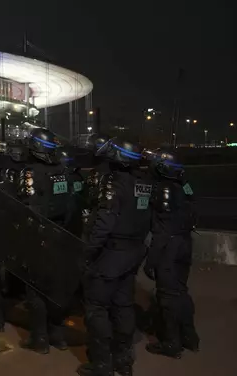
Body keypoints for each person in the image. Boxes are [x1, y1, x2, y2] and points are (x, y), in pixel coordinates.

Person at [78, 138, 153, 376]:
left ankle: (102, 365)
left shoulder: (113, 182)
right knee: (123, 305)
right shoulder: (144, 182)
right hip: (133, 252)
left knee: (96, 308)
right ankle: (124, 361)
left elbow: (104, 223)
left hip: (111, 254)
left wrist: (88, 252)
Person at [13, 128, 75, 353]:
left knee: (35, 290)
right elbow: (69, 205)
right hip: (60, 234)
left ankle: (39, 339)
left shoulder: (30, 172)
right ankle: (57, 336)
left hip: (38, 235)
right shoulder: (62, 170)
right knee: (56, 287)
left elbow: (25, 207)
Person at [144, 149, 199, 358]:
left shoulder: (163, 189)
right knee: (181, 291)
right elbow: (192, 199)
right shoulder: (183, 187)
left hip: (170, 246)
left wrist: (151, 260)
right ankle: (189, 337)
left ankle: (171, 343)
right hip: (185, 242)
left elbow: (162, 230)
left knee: (167, 295)